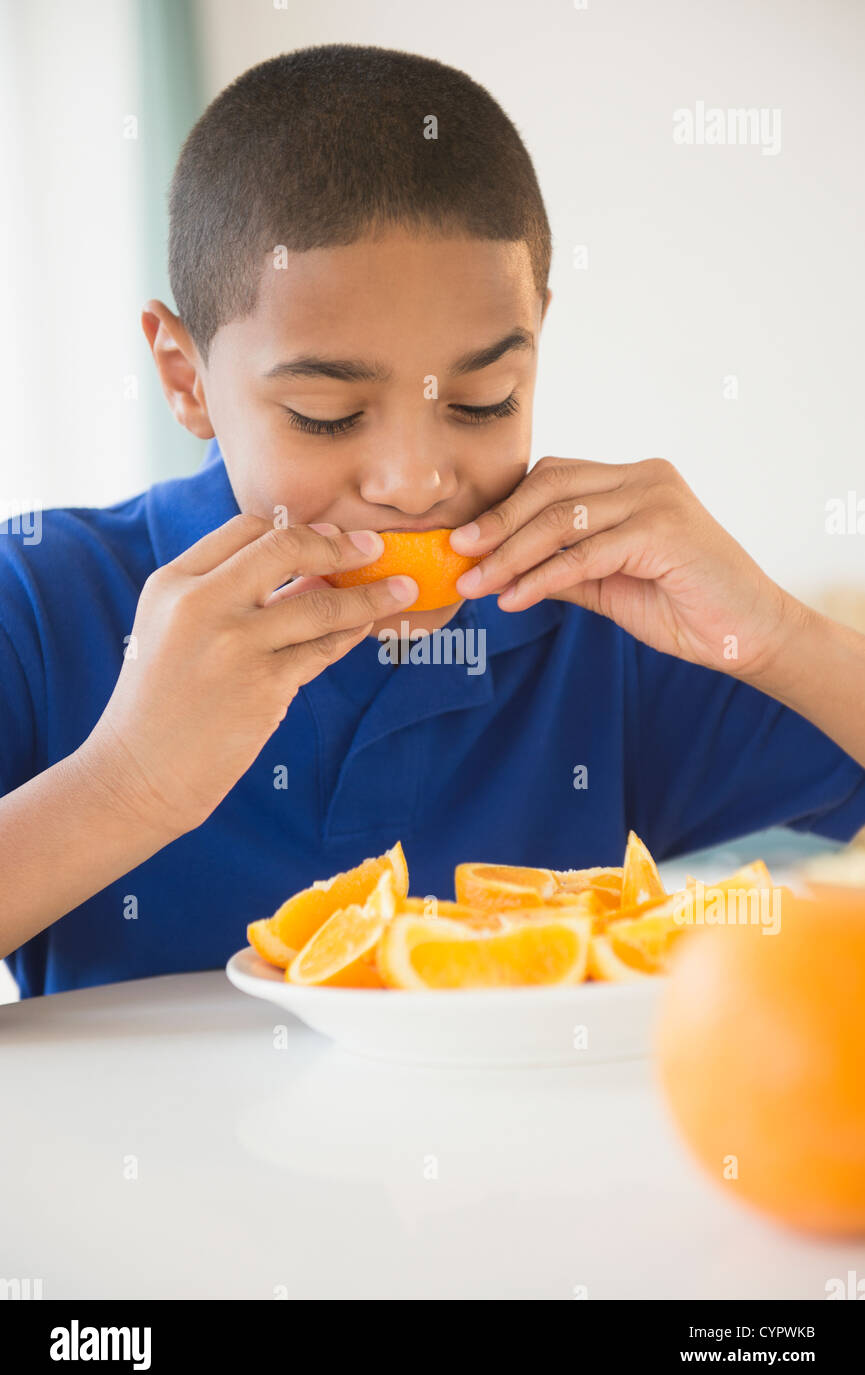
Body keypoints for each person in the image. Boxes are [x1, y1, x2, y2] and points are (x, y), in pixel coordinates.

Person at [1, 44, 863, 998]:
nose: (415, 482)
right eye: (325, 415)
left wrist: (778, 635)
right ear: (184, 377)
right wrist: (130, 782)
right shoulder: (39, 602)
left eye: (485, 398)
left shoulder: (598, 627)